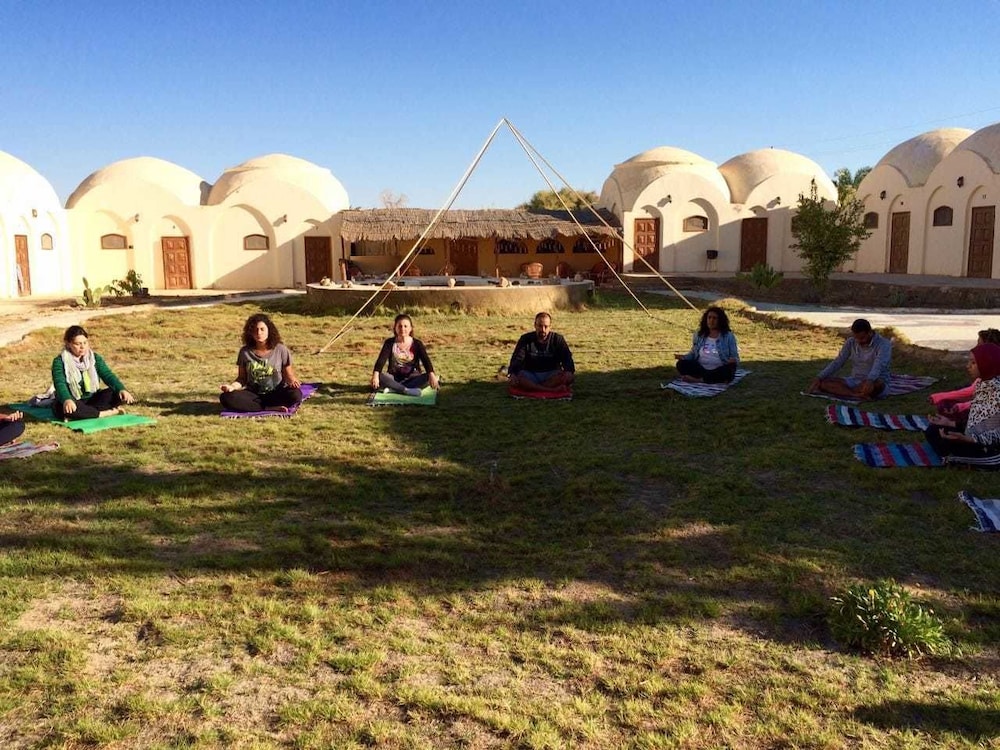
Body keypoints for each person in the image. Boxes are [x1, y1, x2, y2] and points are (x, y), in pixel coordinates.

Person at [924, 343, 1000, 467]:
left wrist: (970, 439)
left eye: (973, 363)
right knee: (933, 431)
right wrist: (950, 423)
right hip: (975, 436)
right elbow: (978, 421)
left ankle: (959, 459)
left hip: (991, 446)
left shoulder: (996, 391)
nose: (968, 366)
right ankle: (956, 455)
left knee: (950, 447)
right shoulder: (984, 384)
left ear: (987, 364)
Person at [220, 313, 302, 412]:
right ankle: (267, 408)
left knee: (296, 395)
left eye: (262, 329)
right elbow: (242, 378)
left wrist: (292, 381)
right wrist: (232, 387)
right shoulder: (245, 352)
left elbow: (288, 374)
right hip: (253, 395)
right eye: (255, 330)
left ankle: (259, 407)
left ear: (269, 330)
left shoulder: (281, 349)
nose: (259, 333)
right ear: (250, 332)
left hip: (276, 393)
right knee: (226, 397)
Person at [51, 325, 135, 420]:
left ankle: (87, 413)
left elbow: (108, 375)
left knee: (117, 394)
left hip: (93, 398)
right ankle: (106, 413)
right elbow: (60, 384)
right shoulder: (59, 361)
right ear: (68, 344)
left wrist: (121, 389)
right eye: (78, 344)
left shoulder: (94, 358)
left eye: (85, 343)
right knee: (66, 408)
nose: (82, 347)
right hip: (73, 399)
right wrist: (67, 399)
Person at [808, 318, 891, 400]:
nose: (859, 341)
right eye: (856, 338)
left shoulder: (884, 344)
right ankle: (854, 394)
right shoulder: (851, 342)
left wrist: (870, 380)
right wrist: (819, 377)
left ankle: (848, 392)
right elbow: (838, 361)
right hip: (854, 380)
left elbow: (879, 365)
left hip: (875, 380)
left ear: (869, 332)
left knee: (875, 386)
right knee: (823, 383)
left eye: (862, 338)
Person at [929, 328, 1000, 419]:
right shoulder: (987, 377)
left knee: (947, 407)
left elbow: (983, 402)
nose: (976, 347)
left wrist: (959, 407)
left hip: (984, 419)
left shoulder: (994, 382)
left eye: (979, 344)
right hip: (977, 408)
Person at [370, 314, 440, 396]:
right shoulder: (389, 343)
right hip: (394, 378)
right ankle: (406, 390)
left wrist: (431, 374)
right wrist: (375, 375)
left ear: (410, 328)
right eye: (400, 326)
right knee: (379, 376)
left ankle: (394, 389)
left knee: (430, 377)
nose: (402, 329)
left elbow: (426, 360)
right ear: (395, 328)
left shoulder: (417, 343)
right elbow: (381, 360)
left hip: (413, 378)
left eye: (405, 326)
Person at [507, 311, 575, 392]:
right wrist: (512, 374)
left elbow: (567, 359)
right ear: (535, 325)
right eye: (540, 326)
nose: (543, 330)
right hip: (530, 374)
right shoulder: (525, 339)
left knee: (568, 377)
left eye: (546, 326)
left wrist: (568, 371)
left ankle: (535, 388)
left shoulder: (558, 339)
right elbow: (517, 359)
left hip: (551, 374)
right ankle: (550, 390)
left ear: (550, 327)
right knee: (518, 379)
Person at [674, 306, 740, 384]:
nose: (711, 320)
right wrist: (683, 357)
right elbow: (693, 353)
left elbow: (735, 357)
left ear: (720, 320)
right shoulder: (699, 334)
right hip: (701, 368)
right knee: (681, 364)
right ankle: (711, 378)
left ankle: (698, 380)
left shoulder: (728, 336)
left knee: (729, 370)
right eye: (709, 317)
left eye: (714, 318)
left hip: (719, 368)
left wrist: (733, 360)